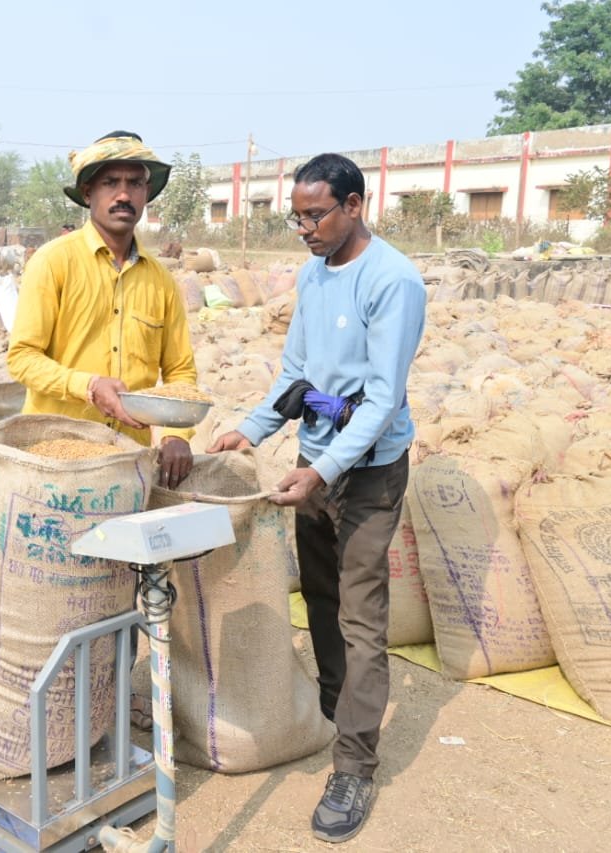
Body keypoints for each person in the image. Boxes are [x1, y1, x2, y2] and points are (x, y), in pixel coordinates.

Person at [209, 153, 426, 844]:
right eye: (296, 216)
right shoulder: (312, 273)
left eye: (316, 214)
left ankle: (354, 764)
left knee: (362, 616)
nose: (303, 227)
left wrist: (325, 469)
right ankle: (334, 707)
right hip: (318, 459)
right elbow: (297, 374)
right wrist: (248, 430)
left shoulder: (393, 281)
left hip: (366, 469)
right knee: (322, 594)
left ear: (355, 206)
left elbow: (384, 400)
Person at [7, 130, 197, 490]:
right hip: (56, 457)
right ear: (87, 193)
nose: (124, 194)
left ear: (146, 193)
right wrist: (89, 386)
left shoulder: (161, 281)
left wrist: (177, 433)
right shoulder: (53, 262)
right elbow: (22, 358)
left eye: (135, 183)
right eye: (110, 182)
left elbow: (180, 372)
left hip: (128, 461)